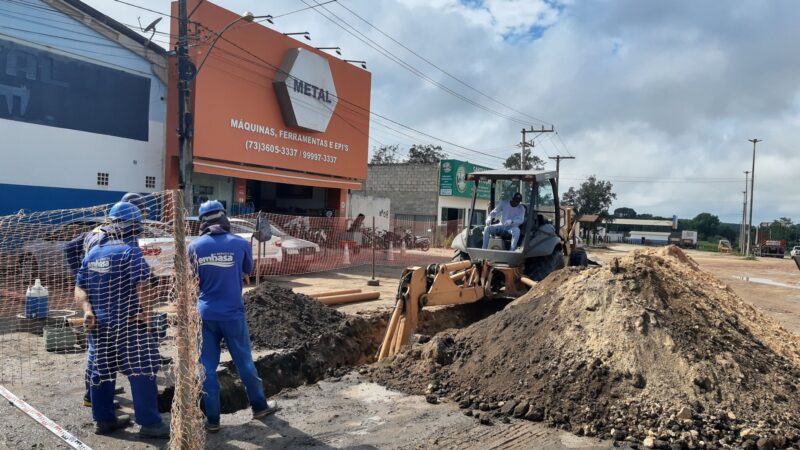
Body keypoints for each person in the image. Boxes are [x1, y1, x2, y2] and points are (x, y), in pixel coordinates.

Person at [75, 201, 169, 438]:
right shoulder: (130, 251)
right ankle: (149, 424)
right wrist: (147, 314)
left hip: (99, 324)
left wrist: (87, 310)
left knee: (101, 372)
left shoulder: (93, 253)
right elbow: (142, 285)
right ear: (134, 227)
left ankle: (104, 420)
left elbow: (79, 288)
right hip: (129, 323)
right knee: (142, 370)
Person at [188, 200, 276, 433]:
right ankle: (259, 406)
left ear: (203, 222)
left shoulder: (194, 247)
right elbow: (247, 271)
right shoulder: (239, 243)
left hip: (205, 314)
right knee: (244, 362)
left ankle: (213, 420)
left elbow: (193, 280)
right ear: (224, 218)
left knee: (206, 367)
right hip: (232, 314)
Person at [64, 192, 149, 409]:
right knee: (104, 351)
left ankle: (96, 394)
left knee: (99, 349)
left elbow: (72, 248)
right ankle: (92, 395)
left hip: (94, 286)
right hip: (106, 294)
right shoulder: (115, 237)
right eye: (141, 212)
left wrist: (81, 274)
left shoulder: (99, 230)